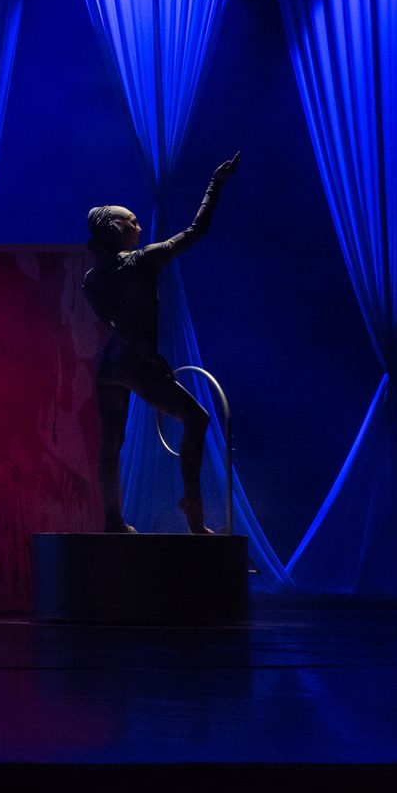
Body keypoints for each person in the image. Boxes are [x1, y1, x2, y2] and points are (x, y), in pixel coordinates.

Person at [84, 153, 241, 535]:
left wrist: (144, 355)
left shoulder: (93, 277)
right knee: (197, 418)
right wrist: (215, 184)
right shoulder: (141, 260)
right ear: (115, 229)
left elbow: (113, 323)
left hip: (111, 364)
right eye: (132, 221)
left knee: (112, 442)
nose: (138, 225)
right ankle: (192, 507)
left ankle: (112, 519)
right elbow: (194, 232)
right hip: (131, 362)